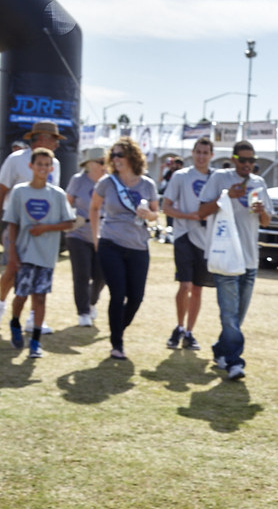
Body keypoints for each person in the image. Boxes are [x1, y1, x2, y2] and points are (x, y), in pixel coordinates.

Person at [197, 140, 273, 381]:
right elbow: (201, 212)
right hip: (226, 257)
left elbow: (267, 222)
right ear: (234, 159)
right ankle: (234, 362)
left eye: (252, 161)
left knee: (237, 316)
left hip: (250, 259)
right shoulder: (220, 178)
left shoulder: (259, 183)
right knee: (229, 315)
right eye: (243, 160)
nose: (248, 164)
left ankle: (221, 350)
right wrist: (226, 197)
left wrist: (261, 211)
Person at [88, 138, 160, 360]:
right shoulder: (107, 183)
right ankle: (117, 343)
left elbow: (157, 214)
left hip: (138, 246)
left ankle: (118, 329)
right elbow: (93, 208)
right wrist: (96, 238)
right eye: (114, 155)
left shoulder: (147, 184)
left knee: (136, 297)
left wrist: (150, 215)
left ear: (132, 157)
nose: (116, 159)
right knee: (117, 294)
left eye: (121, 155)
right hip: (111, 243)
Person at [2, 148, 74, 357]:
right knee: (22, 295)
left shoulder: (57, 194)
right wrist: (12, 254)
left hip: (47, 255)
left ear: (52, 168)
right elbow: (12, 223)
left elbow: (69, 222)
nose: (43, 168)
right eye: (39, 164)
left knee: (40, 298)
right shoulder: (19, 192)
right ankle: (15, 321)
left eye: (46, 165)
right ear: (30, 166)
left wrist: (45, 228)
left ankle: (35, 342)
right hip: (24, 253)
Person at [0, 121, 64, 336]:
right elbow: (1, 191)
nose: (57, 143)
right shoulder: (16, 160)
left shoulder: (55, 163)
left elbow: (53, 195)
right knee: (13, 269)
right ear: (42, 138)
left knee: (40, 274)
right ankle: (0, 306)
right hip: (17, 226)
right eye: (54, 139)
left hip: (44, 230)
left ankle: (32, 319)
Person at [161, 138, 215, 350]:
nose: (201, 156)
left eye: (205, 152)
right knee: (185, 285)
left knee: (199, 289)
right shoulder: (181, 177)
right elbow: (166, 207)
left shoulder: (216, 178)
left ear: (211, 155)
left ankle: (190, 332)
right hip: (184, 236)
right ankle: (179, 326)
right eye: (198, 152)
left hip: (206, 240)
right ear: (193, 153)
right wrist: (188, 216)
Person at [66, 147, 108, 327]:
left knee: (102, 275)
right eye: (101, 162)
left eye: (107, 162)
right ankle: (83, 311)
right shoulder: (78, 180)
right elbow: (66, 204)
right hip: (78, 234)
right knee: (81, 274)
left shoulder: (110, 182)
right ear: (90, 164)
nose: (105, 166)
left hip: (103, 235)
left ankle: (91, 302)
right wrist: (72, 219)